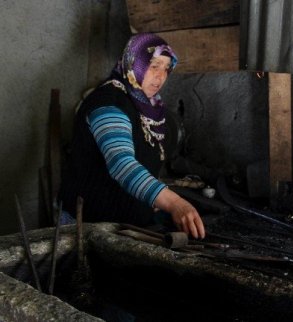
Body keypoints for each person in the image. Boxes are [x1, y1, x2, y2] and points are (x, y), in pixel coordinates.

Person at [59, 33, 205, 239]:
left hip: (123, 225)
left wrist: (151, 199)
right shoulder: (109, 103)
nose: (161, 76)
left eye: (166, 68)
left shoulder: (147, 105)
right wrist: (174, 203)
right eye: (154, 65)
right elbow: (122, 164)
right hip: (88, 228)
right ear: (134, 62)